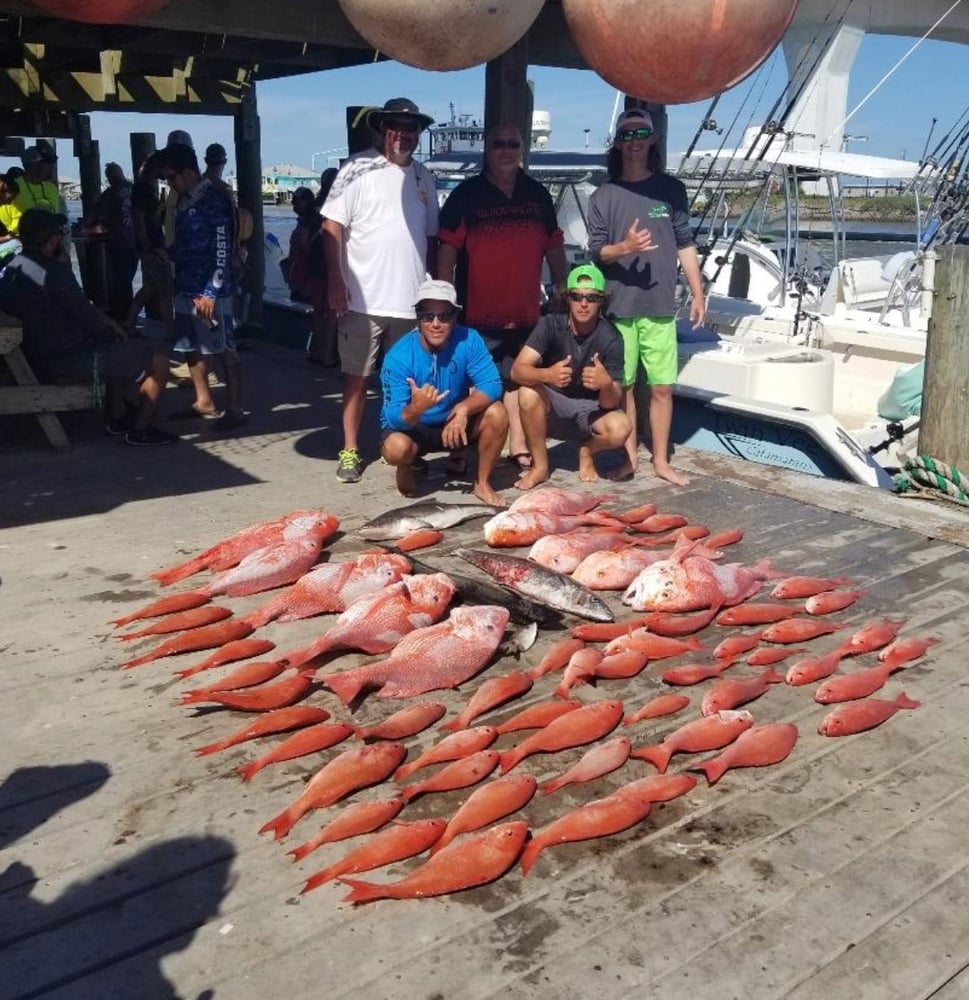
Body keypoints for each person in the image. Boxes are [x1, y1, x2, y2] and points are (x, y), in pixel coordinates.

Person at [437, 123, 568, 473]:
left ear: (522, 150)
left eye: (513, 143)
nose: (506, 150)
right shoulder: (466, 194)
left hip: (525, 310)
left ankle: (519, 444)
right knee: (466, 380)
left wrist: (562, 288)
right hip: (477, 310)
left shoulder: (537, 194)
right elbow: (448, 246)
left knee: (518, 379)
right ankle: (458, 448)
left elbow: (554, 246)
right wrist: (442, 293)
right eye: (499, 144)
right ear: (487, 150)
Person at [322, 96, 439, 484]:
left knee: (408, 384)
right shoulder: (357, 168)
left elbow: (432, 239)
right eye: (396, 127)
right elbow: (331, 228)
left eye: (411, 129)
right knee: (357, 378)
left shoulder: (425, 178)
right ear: (382, 128)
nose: (403, 135)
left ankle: (402, 445)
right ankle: (350, 450)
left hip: (411, 304)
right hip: (362, 299)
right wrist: (336, 282)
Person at [587, 107, 706, 486]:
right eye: (627, 135)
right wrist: (625, 247)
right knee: (623, 389)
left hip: (659, 307)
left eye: (641, 134)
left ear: (652, 140)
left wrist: (698, 292)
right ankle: (629, 460)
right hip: (619, 308)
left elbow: (685, 244)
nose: (634, 142)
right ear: (617, 142)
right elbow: (597, 252)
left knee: (661, 387)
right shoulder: (603, 196)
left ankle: (661, 461)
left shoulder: (672, 190)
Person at [0, 208, 177, 445]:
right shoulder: (55, 273)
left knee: (115, 342)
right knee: (160, 359)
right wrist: (118, 329)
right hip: (66, 359)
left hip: (36, 353)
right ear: (53, 240)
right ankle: (141, 429)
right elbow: (88, 320)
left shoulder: (11, 268)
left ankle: (119, 416)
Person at [379, 278, 508, 506]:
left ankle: (482, 482)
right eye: (428, 316)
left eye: (444, 316)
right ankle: (407, 464)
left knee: (498, 413)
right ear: (418, 319)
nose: (436, 323)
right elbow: (392, 417)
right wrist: (416, 408)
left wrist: (463, 408)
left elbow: (493, 384)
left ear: (455, 318)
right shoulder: (397, 356)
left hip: (454, 420)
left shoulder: (470, 339)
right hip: (415, 426)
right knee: (395, 449)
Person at [510, 263, 630, 488]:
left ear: (602, 301)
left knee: (621, 427)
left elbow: (610, 403)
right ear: (567, 298)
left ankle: (587, 450)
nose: (583, 303)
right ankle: (540, 467)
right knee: (527, 393)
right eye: (576, 296)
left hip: (590, 410)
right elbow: (517, 370)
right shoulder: (549, 325)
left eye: (592, 298)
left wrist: (605, 384)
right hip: (553, 407)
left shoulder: (612, 337)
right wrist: (548, 374)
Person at [158, 143, 245, 428]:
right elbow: (186, 243)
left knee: (224, 350)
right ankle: (203, 400)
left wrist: (211, 291)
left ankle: (234, 409)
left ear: (187, 173)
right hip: (185, 285)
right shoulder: (185, 200)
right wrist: (167, 253)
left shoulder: (214, 199)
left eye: (171, 178)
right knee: (191, 346)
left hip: (211, 292)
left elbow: (221, 248)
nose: (169, 184)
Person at [283, 184, 337, 367]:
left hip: (316, 269)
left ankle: (321, 351)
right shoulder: (336, 206)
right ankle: (328, 354)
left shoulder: (309, 217)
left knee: (319, 312)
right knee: (330, 313)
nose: (294, 207)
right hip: (332, 267)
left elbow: (305, 244)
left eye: (297, 202)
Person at [126, 151, 174, 343]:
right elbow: (139, 217)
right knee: (165, 289)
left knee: (149, 287)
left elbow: (150, 217)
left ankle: (129, 321)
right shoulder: (143, 187)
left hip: (151, 242)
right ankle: (172, 332)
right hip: (152, 243)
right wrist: (147, 244)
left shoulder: (145, 185)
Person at [89, 162, 138, 322]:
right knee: (126, 279)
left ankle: (122, 315)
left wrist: (88, 226)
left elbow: (96, 214)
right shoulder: (134, 189)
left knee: (120, 281)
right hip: (135, 241)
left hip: (118, 242)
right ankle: (128, 315)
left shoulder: (110, 194)